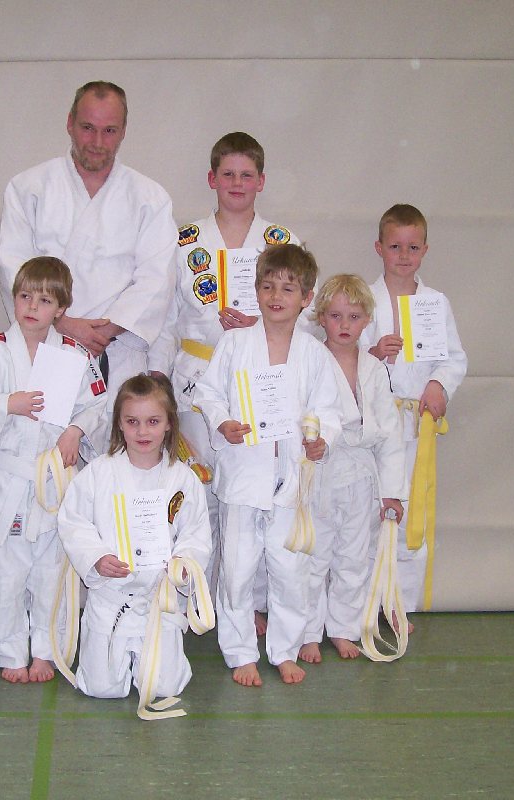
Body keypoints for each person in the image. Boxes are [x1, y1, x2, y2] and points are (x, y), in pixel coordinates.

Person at [147, 132, 300, 618]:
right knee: (195, 491)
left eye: (246, 175)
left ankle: (249, 604)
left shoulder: (282, 242)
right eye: (228, 174)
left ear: (261, 182)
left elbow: (305, 314)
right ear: (212, 179)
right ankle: (189, 598)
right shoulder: (185, 240)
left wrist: (264, 323)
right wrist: (158, 378)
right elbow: (165, 317)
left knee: (253, 496)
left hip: (259, 384)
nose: (237, 183)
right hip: (195, 379)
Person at [193, 244, 343, 686]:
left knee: (290, 571)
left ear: (306, 298)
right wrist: (223, 423)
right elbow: (208, 394)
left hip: (291, 479)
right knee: (237, 570)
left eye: (288, 289)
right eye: (268, 286)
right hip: (244, 473)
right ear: (256, 291)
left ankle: (284, 650)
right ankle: (240, 652)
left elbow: (329, 409)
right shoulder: (235, 343)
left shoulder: (314, 354)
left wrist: (321, 440)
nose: (276, 296)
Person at [0, 256, 109, 684]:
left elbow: (98, 405)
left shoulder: (75, 354)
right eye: (25, 296)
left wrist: (75, 431)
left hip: (54, 481)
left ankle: (48, 652)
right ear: (13, 298)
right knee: (5, 573)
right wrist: (6, 404)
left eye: (45, 300)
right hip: (7, 480)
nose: (32, 307)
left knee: (52, 572)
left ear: (61, 308)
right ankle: (9, 651)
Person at [0, 80, 176, 399]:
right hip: (47, 343)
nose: (97, 142)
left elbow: (156, 279)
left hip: (117, 351)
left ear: (123, 131)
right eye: (88, 128)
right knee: (49, 430)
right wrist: (64, 323)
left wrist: (106, 330)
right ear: (70, 123)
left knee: (119, 429)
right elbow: (13, 266)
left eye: (109, 131)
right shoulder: (29, 188)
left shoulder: (149, 197)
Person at [56, 374, 212, 706]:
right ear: (119, 424)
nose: (143, 431)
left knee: (164, 687)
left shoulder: (183, 478)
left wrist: (184, 564)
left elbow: (195, 532)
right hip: (111, 598)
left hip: (159, 600)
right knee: (100, 688)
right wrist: (96, 558)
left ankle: (153, 661)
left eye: (153, 421)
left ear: (169, 424)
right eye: (133, 422)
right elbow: (74, 522)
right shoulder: (98, 473)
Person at [362, 204, 467, 617]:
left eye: (412, 247)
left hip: (412, 426)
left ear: (425, 250)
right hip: (370, 424)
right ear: (379, 248)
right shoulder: (363, 299)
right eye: (395, 246)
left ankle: (399, 607)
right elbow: (339, 352)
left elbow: (454, 358)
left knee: (408, 513)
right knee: (365, 514)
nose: (404, 255)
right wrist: (373, 353)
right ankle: (360, 607)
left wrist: (439, 385)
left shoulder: (435, 303)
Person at [298, 275, 406, 663]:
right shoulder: (308, 360)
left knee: (354, 558)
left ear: (367, 321)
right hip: (323, 470)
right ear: (320, 317)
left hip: (362, 474)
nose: (345, 325)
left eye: (354, 317)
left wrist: (391, 492)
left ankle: (344, 628)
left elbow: (390, 433)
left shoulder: (374, 368)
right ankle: (307, 632)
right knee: (314, 556)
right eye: (336, 316)